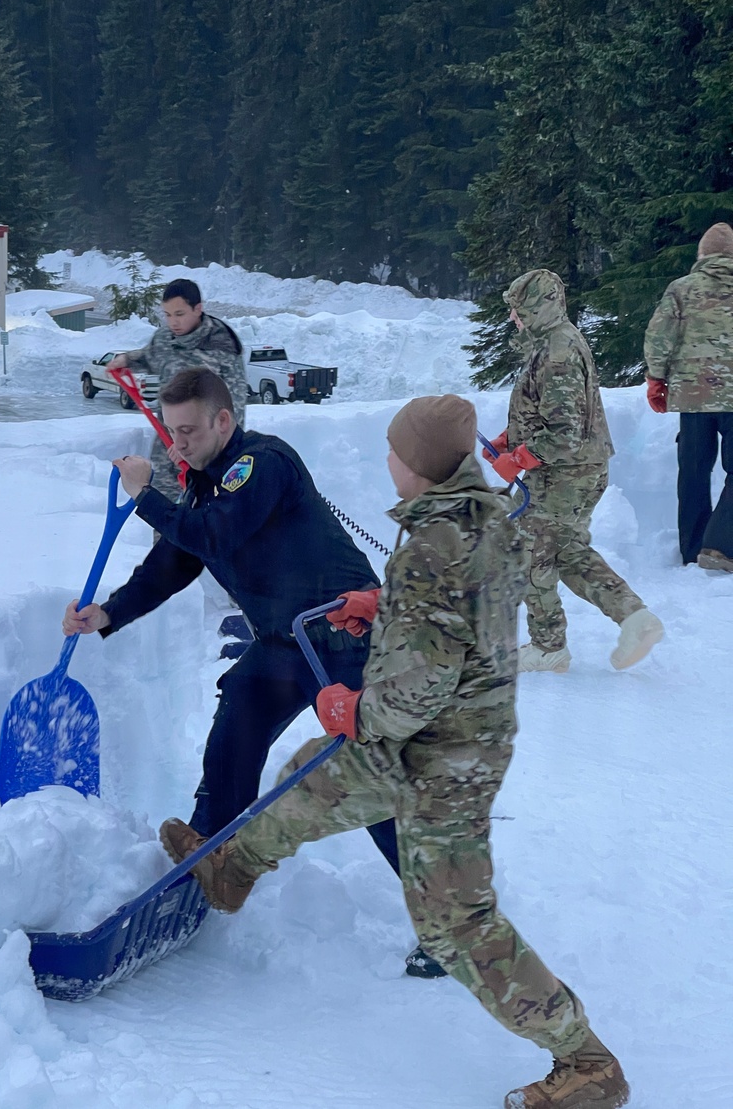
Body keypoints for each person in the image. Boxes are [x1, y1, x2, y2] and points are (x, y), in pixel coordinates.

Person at [162, 395, 630, 1109]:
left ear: (418, 464)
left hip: (444, 759)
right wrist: (386, 607)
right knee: (310, 781)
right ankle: (233, 870)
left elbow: (415, 693)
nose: (387, 460)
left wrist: (350, 708)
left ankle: (586, 1061)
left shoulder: (434, 545)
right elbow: (464, 610)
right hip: (442, 739)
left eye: (395, 450)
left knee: (456, 926)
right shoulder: (480, 518)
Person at [62, 367, 440, 978]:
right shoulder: (208, 485)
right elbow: (175, 562)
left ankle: (448, 923)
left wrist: (145, 496)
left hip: (344, 634)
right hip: (286, 641)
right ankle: (205, 862)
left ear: (223, 421)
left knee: (366, 779)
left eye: (189, 430)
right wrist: (108, 614)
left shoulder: (261, 464)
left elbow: (215, 536)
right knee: (237, 723)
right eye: (171, 431)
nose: (178, 443)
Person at [487, 268, 662, 674]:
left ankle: (548, 646)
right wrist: (511, 438)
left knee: (529, 550)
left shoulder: (557, 352)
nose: (513, 317)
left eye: (518, 309)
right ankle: (635, 618)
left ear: (538, 306)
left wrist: (518, 459)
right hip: (575, 470)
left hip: (563, 474)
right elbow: (557, 412)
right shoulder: (554, 340)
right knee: (565, 552)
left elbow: (565, 433)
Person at [644, 220, 733, 572]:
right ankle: (720, 545)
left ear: (702, 255)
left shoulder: (681, 289)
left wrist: (656, 378)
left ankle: (694, 548)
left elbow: (658, 337)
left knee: (694, 471)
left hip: (692, 396)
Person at [108, 278, 248, 501]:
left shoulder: (221, 345)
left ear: (198, 309)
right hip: (168, 441)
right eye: (168, 314)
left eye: (179, 314)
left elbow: (233, 410)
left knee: (205, 509)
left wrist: (214, 450)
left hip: (206, 449)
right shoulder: (165, 338)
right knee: (161, 504)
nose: (173, 322)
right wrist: (126, 360)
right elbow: (149, 356)